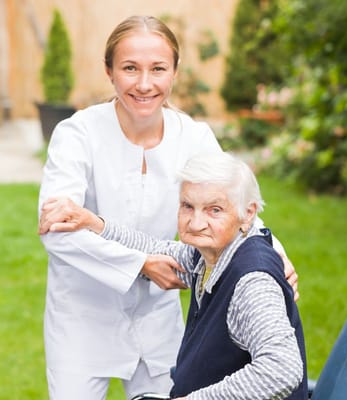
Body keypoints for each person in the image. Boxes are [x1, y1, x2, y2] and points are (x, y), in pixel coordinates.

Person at [38, 15, 298, 400]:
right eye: (130, 68)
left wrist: (276, 253)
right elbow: (57, 231)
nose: (144, 84)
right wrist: (140, 265)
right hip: (82, 319)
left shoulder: (193, 136)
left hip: (160, 321)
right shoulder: (77, 134)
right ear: (109, 71)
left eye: (158, 69)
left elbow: (235, 206)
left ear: (174, 72)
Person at [39, 152, 308, 400]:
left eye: (215, 210)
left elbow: (282, 369)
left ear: (247, 213)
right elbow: (159, 249)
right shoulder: (210, 256)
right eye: (188, 206)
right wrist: (93, 223)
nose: (196, 223)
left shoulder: (251, 282)